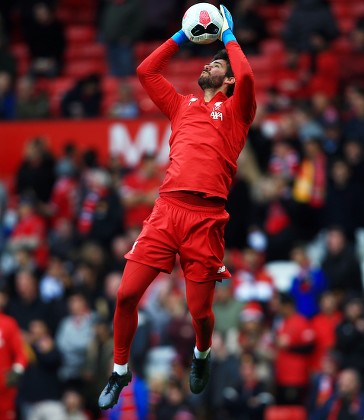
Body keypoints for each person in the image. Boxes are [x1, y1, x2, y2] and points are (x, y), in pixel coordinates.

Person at [98, 4, 256, 410]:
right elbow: (146, 72)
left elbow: (250, 76)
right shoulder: (181, 105)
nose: (208, 66)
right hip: (167, 210)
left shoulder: (238, 111)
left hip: (207, 217)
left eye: (217, 64)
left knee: (199, 311)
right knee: (125, 295)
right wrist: (183, 35)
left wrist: (229, 38)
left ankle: (202, 354)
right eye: (207, 62)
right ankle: (119, 370)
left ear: (229, 79)